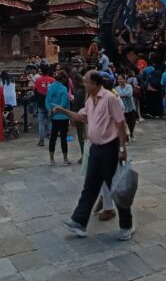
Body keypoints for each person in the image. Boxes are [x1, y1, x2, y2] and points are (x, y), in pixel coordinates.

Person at [53, 71, 134, 241]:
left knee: (116, 187)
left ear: (96, 83)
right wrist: (63, 110)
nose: (84, 84)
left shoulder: (110, 98)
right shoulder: (90, 100)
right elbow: (82, 117)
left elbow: (120, 123)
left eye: (87, 82)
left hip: (109, 148)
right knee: (90, 186)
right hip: (95, 148)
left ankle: (127, 225)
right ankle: (79, 222)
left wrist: (122, 148)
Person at [46, 71, 71, 166]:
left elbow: (47, 101)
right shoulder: (63, 88)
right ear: (64, 79)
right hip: (63, 116)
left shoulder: (50, 88)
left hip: (54, 116)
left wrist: (50, 110)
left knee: (53, 137)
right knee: (63, 138)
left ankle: (51, 159)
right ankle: (65, 159)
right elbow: (64, 103)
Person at [34, 66, 55, 147]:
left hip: (41, 103)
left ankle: (41, 141)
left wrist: (37, 100)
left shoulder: (38, 80)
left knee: (41, 122)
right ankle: (51, 138)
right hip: (50, 104)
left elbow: (35, 91)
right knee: (50, 121)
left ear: (41, 72)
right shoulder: (52, 80)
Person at [115, 74, 138, 140]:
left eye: (121, 79)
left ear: (125, 80)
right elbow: (115, 96)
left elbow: (129, 94)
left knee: (132, 123)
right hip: (122, 109)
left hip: (130, 107)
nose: (119, 80)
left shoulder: (129, 86)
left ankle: (131, 132)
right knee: (124, 124)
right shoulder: (116, 88)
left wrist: (119, 95)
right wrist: (120, 96)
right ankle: (126, 137)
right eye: (118, 79)